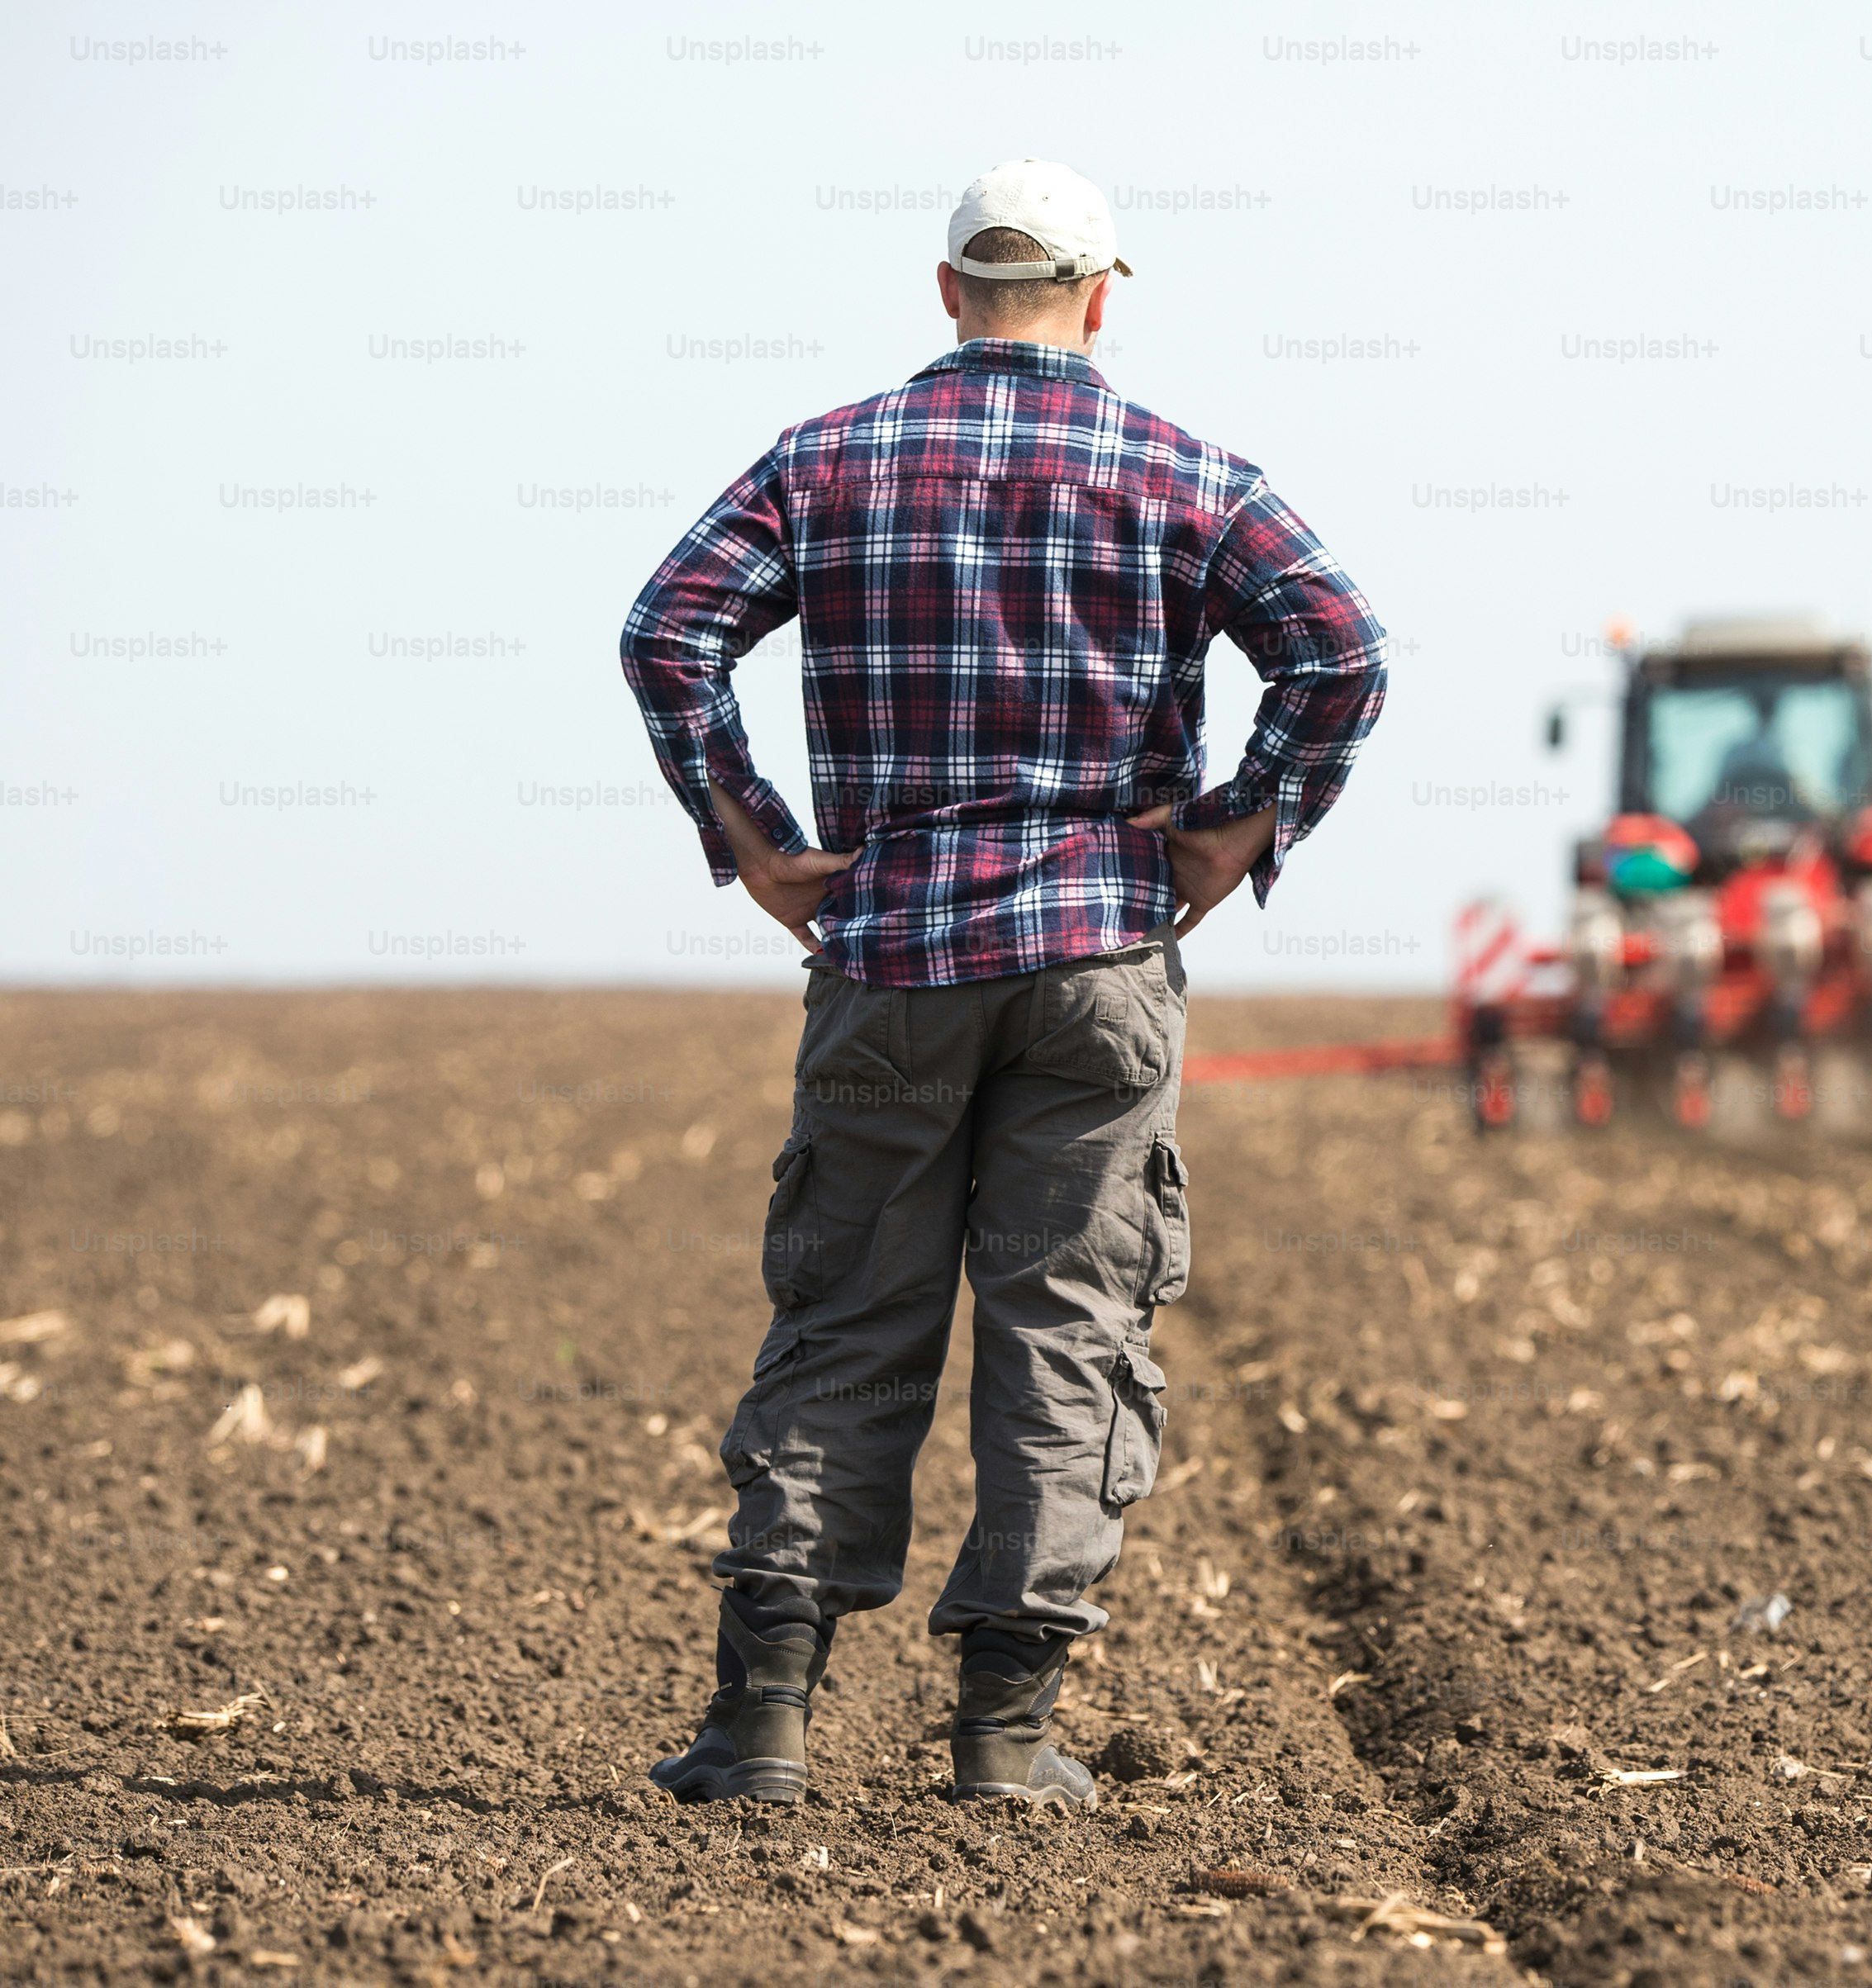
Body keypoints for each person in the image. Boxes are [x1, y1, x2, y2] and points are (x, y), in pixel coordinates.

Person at [618, 157, 1387, 1807]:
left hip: (889, 953)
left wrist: (752, 839)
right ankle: (1006, 1738)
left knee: (845, 1321)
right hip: (1098, 958)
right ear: (1104, 296)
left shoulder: (823, 461)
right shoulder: (1187, 473)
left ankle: (760, 1729)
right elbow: (1341, 650)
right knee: (1069, 1332)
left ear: (946, 291)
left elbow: (667, 630)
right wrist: (1241, 822)